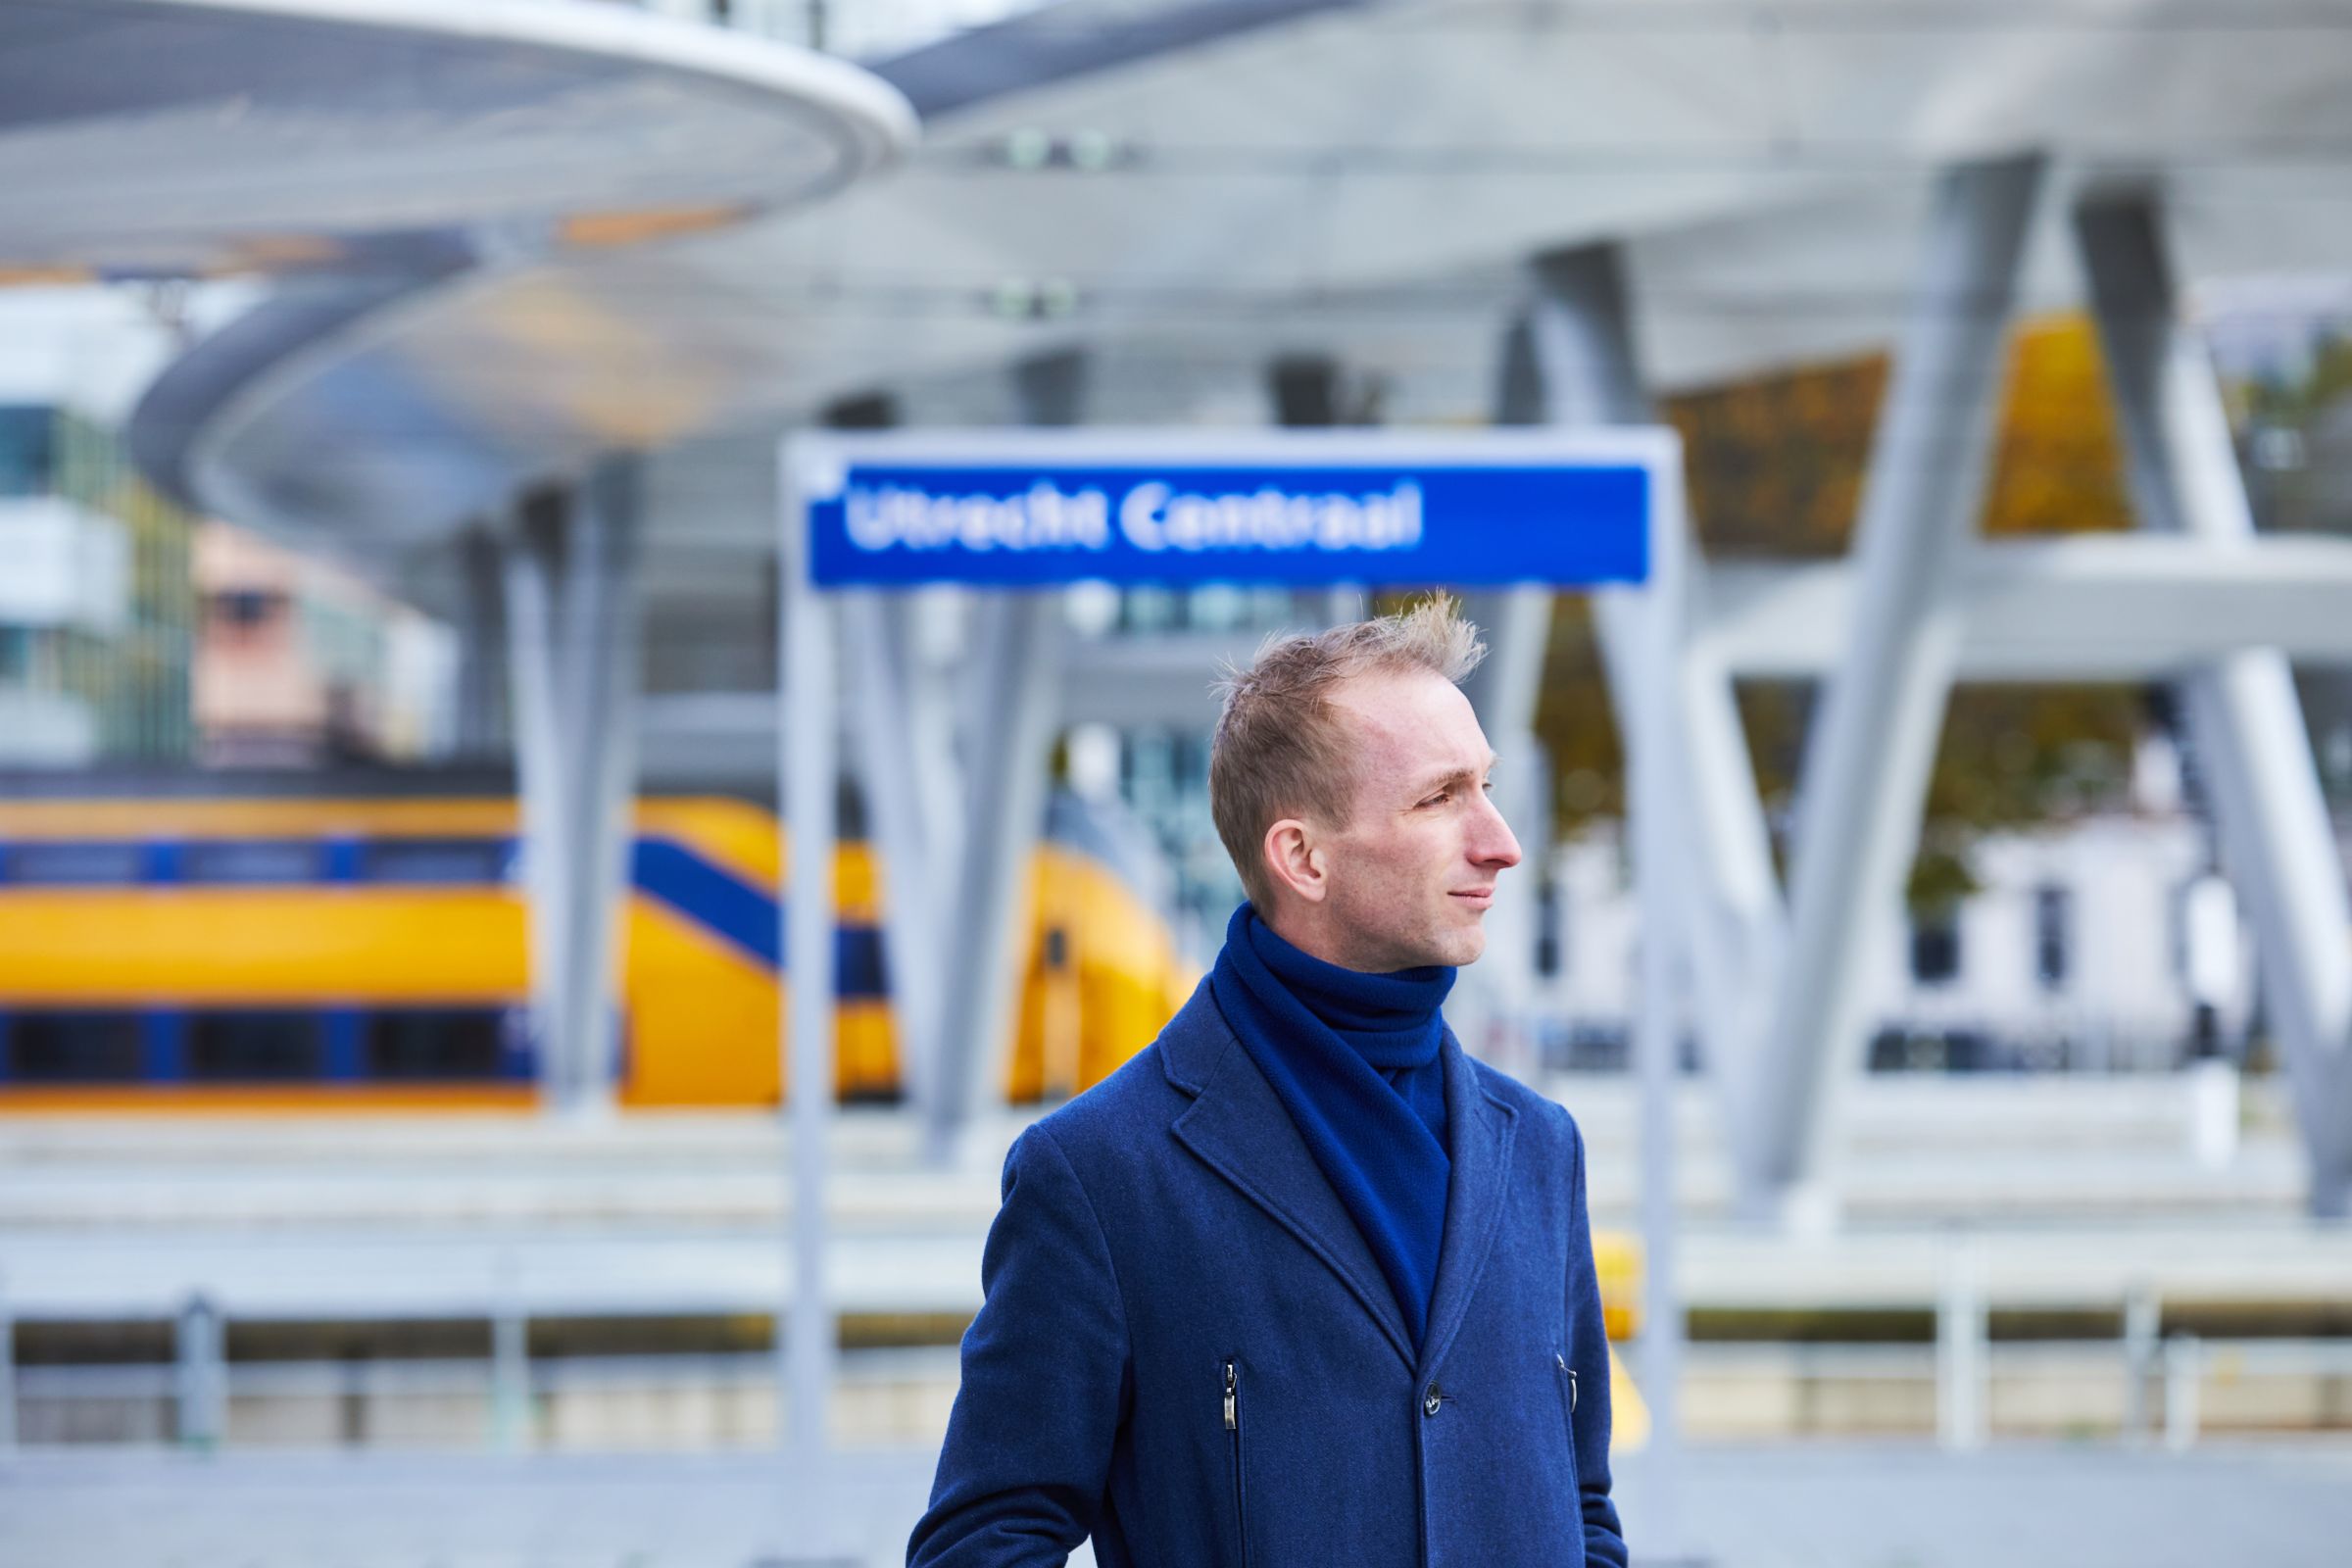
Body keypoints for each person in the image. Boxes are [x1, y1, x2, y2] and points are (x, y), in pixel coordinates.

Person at [907, 597, 1628, 1568]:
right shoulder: (1099, 1175)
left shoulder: (1542, 1148)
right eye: (1440, 797)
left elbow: (1584, 1509)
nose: (1500, 842)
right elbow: (980, 1545)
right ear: (1300, 856)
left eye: (1487, 786)